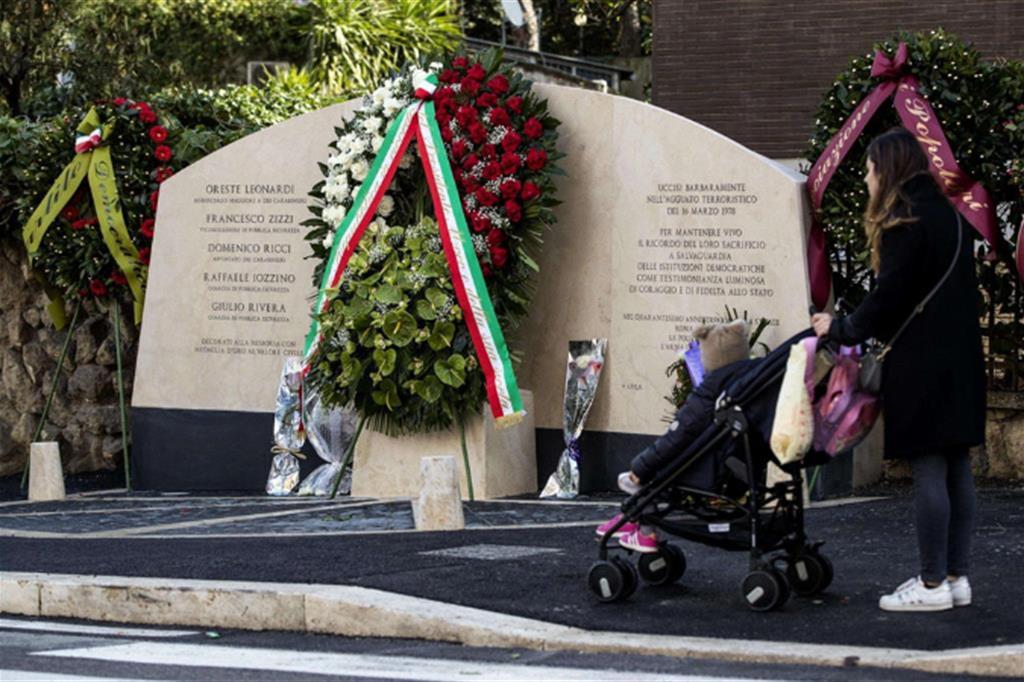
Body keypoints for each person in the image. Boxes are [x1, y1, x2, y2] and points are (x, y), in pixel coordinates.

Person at [810, 127, 985, 612]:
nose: (867, 180)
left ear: (887, 169)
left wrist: (839, 327)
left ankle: (931, 585)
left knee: (928, 465)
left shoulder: (904, 221)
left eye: (869, 170)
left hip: (922, 362)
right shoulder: (951, 215)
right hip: (961, 359)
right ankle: (956, 577)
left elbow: (888, 298)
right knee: (956, 465)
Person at [596, 319, 757, 553]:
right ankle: (633, 517)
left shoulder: (708, 394)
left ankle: (645, 530)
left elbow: (676, 437)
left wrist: (640, 466)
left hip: (704, 470)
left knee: (639, 479)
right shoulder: (748, 389)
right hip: (735, 467)